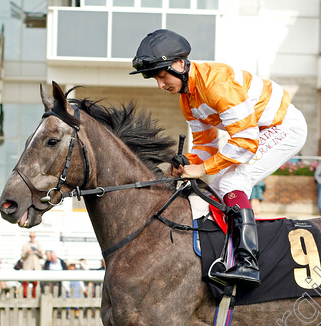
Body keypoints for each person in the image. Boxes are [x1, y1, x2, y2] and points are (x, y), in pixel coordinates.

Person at [131, 28, 307, 287]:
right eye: (155, 79)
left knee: (231, 182)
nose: (160, 85)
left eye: (162, 75)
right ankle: (227, 255)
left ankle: (249, 264)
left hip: (282, 127)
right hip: (257, 131)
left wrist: (202, 169)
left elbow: (245, 141)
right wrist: (188, 163)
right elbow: (206, 144)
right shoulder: (187, 97)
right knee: (213, 186)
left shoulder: (216, 84)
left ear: (179, 64)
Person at [20, 231, 44, 298]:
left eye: (33, 236)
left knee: (35, 283)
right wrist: (28, 252)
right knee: (25, 283)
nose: (32, 238)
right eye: (31, 236)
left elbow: (42, 256)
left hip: (35, 267)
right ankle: (25, 297)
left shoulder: (38, 244)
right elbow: (22, 256)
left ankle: (35, 297)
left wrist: (39, 251)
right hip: (28, 266)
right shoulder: (26, 245)